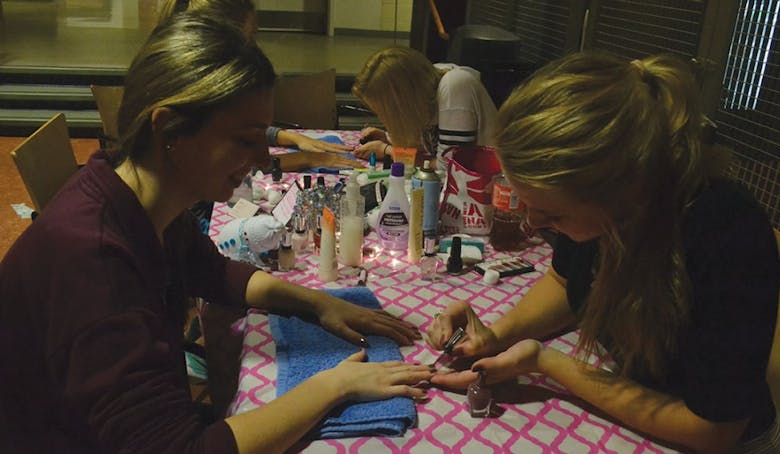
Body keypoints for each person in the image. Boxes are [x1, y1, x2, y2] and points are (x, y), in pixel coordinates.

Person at [0, 13, 432, 453]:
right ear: (169, 129)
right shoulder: (95, 264)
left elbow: (214, 271)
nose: (265, 157)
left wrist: (319, 303)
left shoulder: (134, 196)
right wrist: (334, 385)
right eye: (245, 140)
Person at [426, 52, 780, 453]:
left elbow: (712, 429)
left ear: (620, 195)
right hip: (641, 403)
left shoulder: (726, 235)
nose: (529, 224)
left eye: (551, 214)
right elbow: (565, 282)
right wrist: (495, 337)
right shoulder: (607, 205)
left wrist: (549, 363)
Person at [159, 0, 357, 160]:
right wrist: (301, 160)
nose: (255, 48)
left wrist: (286, 136)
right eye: (250, 37)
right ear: (215, 41)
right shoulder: (192, 97)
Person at [351, 47, 498, 172]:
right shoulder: (427, 89)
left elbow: (447, 168)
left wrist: (387, 151)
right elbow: (425, 150)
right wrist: (389, 138)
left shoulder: (454, 86)